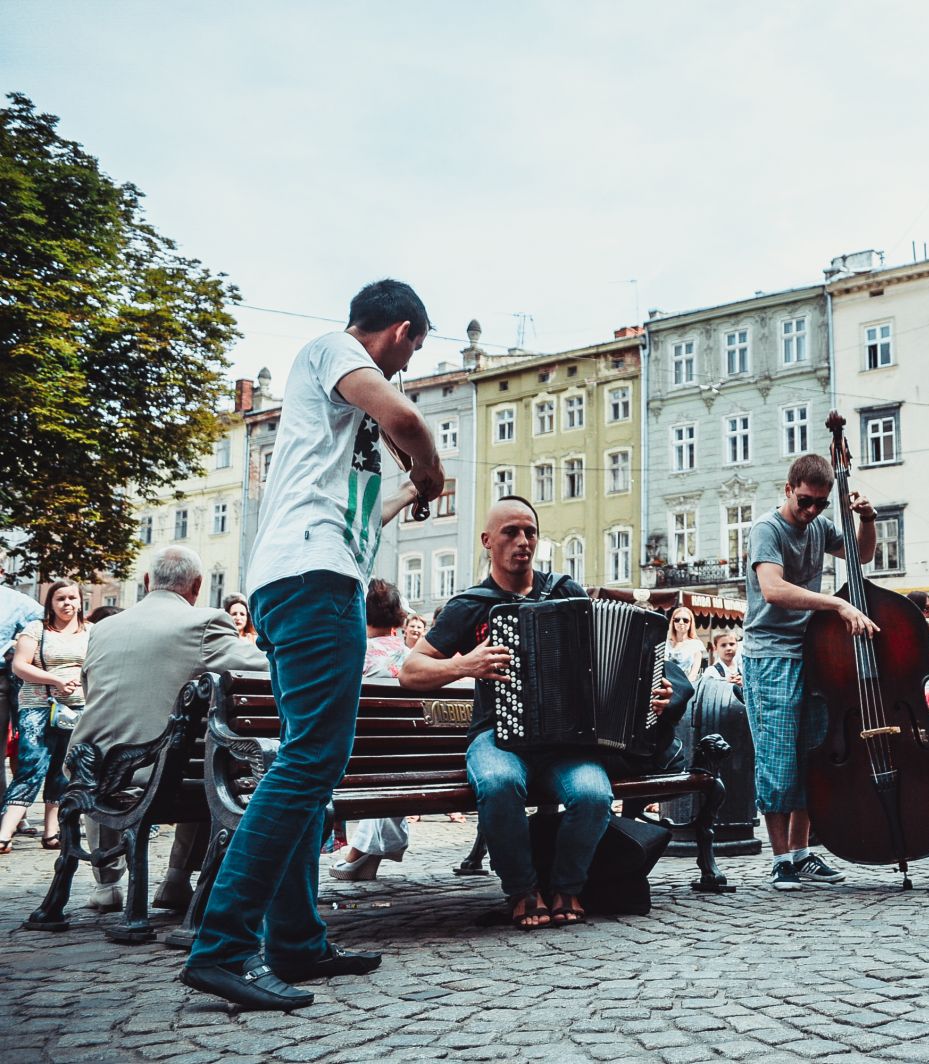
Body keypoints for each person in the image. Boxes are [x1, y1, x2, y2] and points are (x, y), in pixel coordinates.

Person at [182, 279, 444, 1012]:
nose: (405, 366)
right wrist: (429, 468)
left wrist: (405, 494)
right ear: (398, 330)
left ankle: (295, 940)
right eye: (413, 349)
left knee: (309, 758)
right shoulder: (335, 349)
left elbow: (363, 510)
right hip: (311, 577)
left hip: (303, 577)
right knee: (309, 760)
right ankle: (224, 944)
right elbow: (406, 419)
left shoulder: (335, 432)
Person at [403, 496, 680, 926]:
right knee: (498, 782)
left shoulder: (565, 592)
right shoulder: (470, 605)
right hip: (497, 734)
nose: (522, 541)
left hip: (564, 742)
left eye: (529, 531)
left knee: (592, 794)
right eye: (510, 532)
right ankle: (522, 890)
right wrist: (465, 664)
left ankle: (567, 888)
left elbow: (615, 664)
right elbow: (410, 671)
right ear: (487, 541)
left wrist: (648, 697)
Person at [69, 547, 268, 911]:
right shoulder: (204, 622)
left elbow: (89, 689)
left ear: (147, 582)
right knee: (208, 768)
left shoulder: (102, 628)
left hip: (88, 765)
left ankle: (107, 882)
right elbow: (260, 669)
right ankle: (176, 878)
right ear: (196, 585)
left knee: (110, 748)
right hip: (160, 772)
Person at [741, 453, 876, 890]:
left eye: (820, 503)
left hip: (813, 655)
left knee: (811, 757)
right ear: (787, 489)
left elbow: (861, 557)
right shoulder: (767, 529)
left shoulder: (818, 525)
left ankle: (801, 854)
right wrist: (837, 603)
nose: (812, 511)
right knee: (777, 759)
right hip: (770, 655)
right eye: (805, 502)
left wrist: (868, 520)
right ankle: (780, 859)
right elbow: (773, 589)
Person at [0, 580, 91, 852]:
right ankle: (5, 832)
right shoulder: (36, 629)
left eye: (72, 598)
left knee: (62, 770)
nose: (67, 603)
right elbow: (19, 666)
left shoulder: (91, 632)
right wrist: (54, 680)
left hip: (78, 708)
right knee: (32, 765)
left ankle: (52, 833)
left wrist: (81, 678)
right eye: (60, 598)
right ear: (50, 603)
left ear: (80, 601)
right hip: (39, 707)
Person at [334, 579, 412, 881]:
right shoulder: (415, 658)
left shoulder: (353, 656)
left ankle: (359, 853)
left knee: (379, 758)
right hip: (419, 761)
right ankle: (362, 853)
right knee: (393, 757)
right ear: (398, 615)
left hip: (360, 760)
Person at [0, 560, 45, 804]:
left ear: (1, 571)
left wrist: (19, 648)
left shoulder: (13, 601)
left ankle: (6, 810)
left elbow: (48, 619)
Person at [665, 605, 706, 683]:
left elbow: (694, 673)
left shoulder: (696, 645)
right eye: (677, 620)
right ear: (673, 622)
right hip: (666, 686)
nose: (681, 622)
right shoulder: (665, 643)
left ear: (691, 623)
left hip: (686, 685)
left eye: (685, 620)